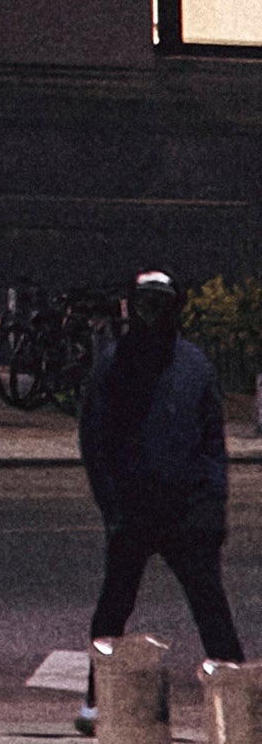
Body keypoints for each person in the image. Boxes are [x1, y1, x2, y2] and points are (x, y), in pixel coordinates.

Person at [83, 269, 240, 714]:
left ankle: (239, 701)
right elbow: (96, 442)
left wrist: (212, 504)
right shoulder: (116, 365)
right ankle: (96, 699)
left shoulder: (191, 365)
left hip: (185, 510)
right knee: (116, 606)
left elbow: (212, 441)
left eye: (160, 304)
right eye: (145, 304)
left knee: (210, 608)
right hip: (135, 510)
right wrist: (113, 507)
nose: (152, 314)